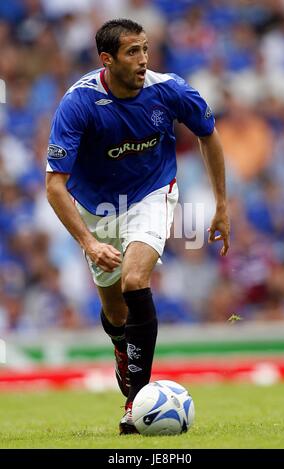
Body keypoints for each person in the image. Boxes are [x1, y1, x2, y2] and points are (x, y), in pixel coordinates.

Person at [45, 18, 230, 434]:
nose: (143, 59)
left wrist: (221, 205)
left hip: (151, 193)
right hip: (97, 209)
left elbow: (209, 134)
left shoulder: (171, 90)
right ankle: (123, 350)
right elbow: (54, 186)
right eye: (132, 52)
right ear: (107, 59)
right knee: (115, 311)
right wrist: (90, 243)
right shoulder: (79, 103)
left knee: (134, 280)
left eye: (145, 49)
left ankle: (137, 401)